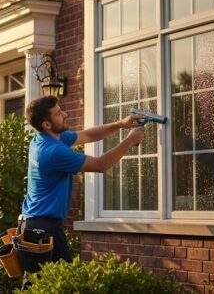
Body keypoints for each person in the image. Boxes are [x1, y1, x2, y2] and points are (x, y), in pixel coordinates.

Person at [20, 95, 148, 265]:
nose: (65, 114)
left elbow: (88, 135)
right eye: (59, 113)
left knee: (51, 282)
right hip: (42, 228)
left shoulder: (45, 138)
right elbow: (100, 165)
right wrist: (130, 140)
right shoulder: (53, 151)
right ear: (47, 124)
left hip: (41, 223)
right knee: (43, 283)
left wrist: (121, 124)